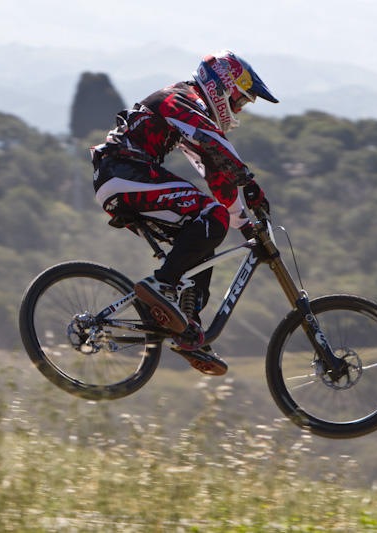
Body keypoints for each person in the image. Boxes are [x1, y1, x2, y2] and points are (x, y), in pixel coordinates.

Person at [90, 50, 278, 375]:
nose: (237, 111)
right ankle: (161, 285)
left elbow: (216, 174)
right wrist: (248, 181)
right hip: (122, 172)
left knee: (204, 238)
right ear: (222, 87)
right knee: (211, 217)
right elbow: (211, 138)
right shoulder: (180, 98)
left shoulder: (191, 110)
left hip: (123, 180)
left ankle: (189, 329)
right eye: (239, 101)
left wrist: (246, 225)